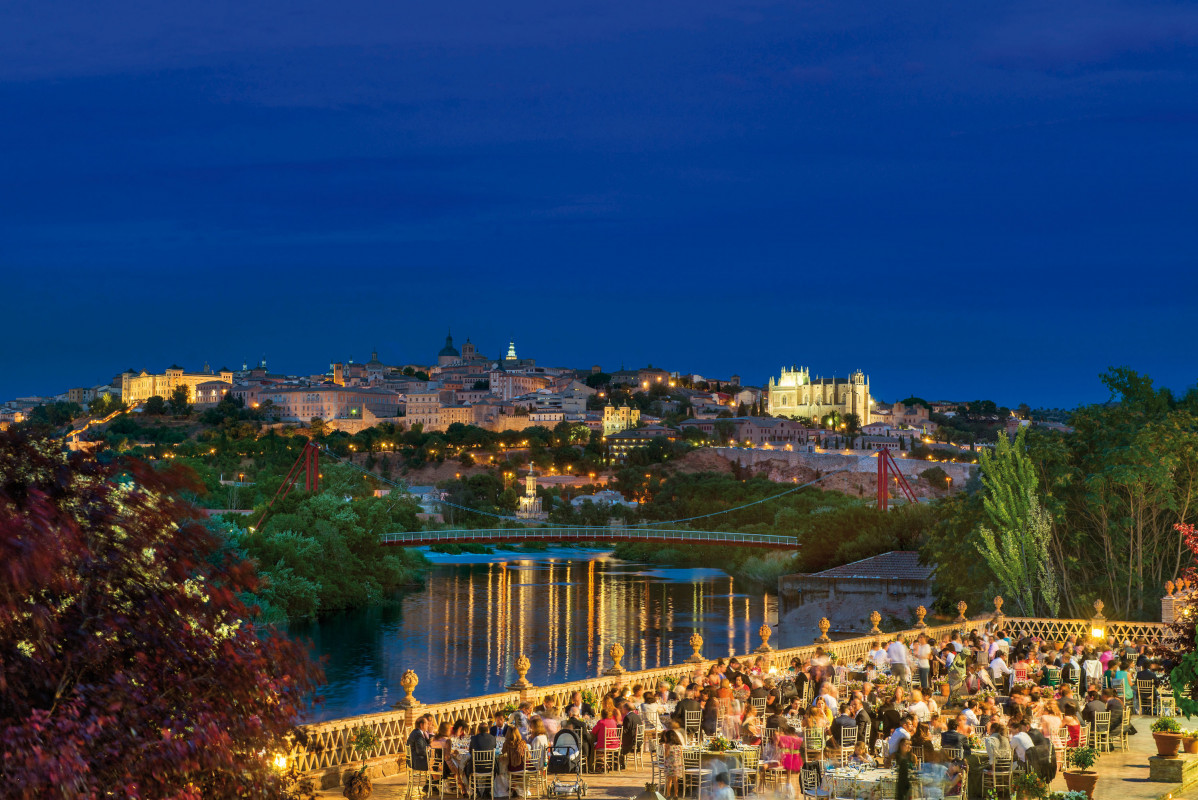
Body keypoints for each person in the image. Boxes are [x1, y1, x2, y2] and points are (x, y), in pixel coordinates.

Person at [661, 721, 686, 799]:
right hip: (677, 765)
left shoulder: (668, 745)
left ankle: (668, 794)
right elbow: (681, 755)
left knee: (669, 781)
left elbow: (666, 755)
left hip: (669, 765)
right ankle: (676, 795)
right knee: (676, 781)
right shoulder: (679, 746)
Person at [621, 702, 643, 767]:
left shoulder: (627, 717)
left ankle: (620, 764)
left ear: (625, 708)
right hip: (638, 740)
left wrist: (618, 732)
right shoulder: (637, 716)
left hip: (631, 741)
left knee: (617, 746)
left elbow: (626, 730)